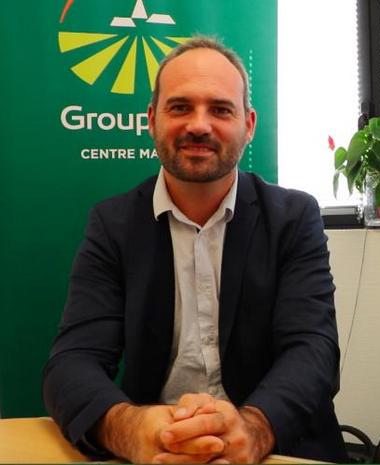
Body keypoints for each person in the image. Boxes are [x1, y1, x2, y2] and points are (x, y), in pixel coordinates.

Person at [43, 37, 346, 464]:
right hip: (159, 449)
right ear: (151, 120)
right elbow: (73, 361)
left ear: (249, 124)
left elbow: (313, 349)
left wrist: (254, 429)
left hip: (276, 448)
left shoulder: (293, 217)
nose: (199, 125)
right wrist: (129, 429)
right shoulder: (112, 224)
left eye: (221, 109)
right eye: (180, 107)